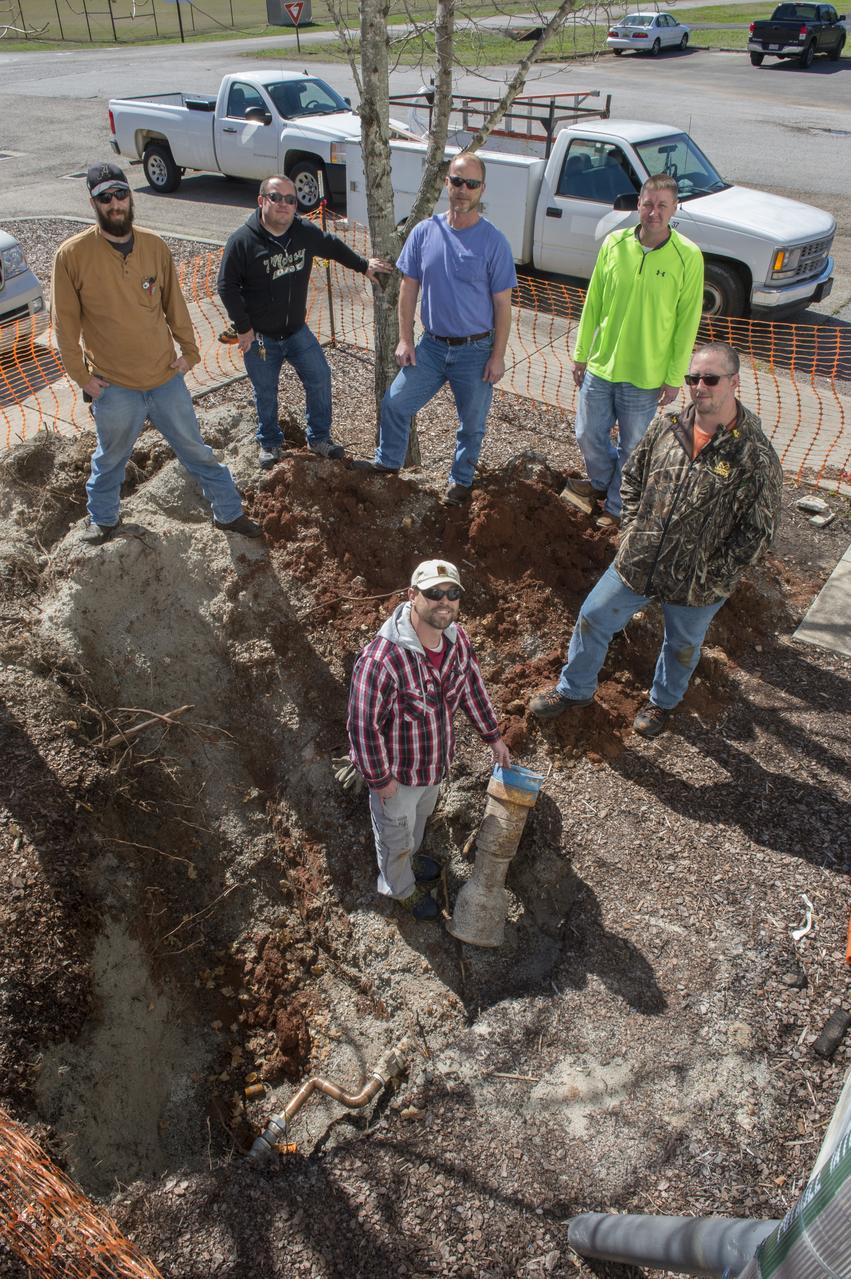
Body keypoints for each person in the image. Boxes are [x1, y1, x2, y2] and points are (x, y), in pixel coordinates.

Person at [529, 342, 783, 738]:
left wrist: (714, 575)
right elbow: (630, 478)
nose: (701, 386)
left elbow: (757, 532)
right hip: (639, 559)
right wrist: (632, 531)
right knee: (594, 618)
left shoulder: (754, 455)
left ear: (734, 382)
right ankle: (574, 689)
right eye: (693, 378)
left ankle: (662, 703)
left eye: (711, 379)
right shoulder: (667, 427)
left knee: (681, 646)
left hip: (697, 580)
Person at [52, 163, 260, 543]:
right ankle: (103, 520)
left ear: (130, 196)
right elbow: (65, 326)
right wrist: (83, 378)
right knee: (110, 459)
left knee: (196, 450)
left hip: (165, 378)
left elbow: (174, 305)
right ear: (93, 203)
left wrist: (190, 352)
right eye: (105, 198)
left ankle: (229, 514)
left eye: (120, 194)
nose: (115, 203)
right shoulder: (72, 256)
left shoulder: (154, 246)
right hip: (114, 387)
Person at [347, 558, 511, 920]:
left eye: (453, 593)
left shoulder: (456, 640)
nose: (445, 601)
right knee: (394, 837)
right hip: (397, 778)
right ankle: (400, 888)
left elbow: (471, 687)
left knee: (416, 826)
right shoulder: (382, 660)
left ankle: (409, 860)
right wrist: (381, 781)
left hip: (433, 769)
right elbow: (362, 727)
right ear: (412, 595)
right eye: (434, 593)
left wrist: (493, 737)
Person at [352, 152, 517, 506]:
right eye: (457, 181)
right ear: (447, 183)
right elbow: (408, 287)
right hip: (431, 347)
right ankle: (389, 466)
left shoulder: (494, 242)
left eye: (471, 184)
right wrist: (406, 339)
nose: (462, 189)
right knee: (395, 404)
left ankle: (460, 482)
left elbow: (504, 305)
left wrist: (498, 355)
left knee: (471, 425)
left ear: (481, 189)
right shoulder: (425, 232)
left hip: (475, 351)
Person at [217, 174, 391, 470]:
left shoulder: (303, 232)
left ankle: (319, 438)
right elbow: (226, 285)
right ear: (261, 201)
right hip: (260, 337)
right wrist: (243, 327)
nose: (284, 204)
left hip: (296, 331)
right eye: (276, 197)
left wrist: (364, 266)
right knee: (266, 391)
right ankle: (270, 442)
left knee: (319, 377)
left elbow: (333, 246)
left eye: (291, 199)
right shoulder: (242, 242)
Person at [562, 173, 704, 530]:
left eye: (662, 206)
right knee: (587, 433)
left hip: (646, 375)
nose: (653, 212)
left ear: (674, 209)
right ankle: (601, 482)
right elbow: (593, 301)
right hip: (601, 366)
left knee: (632, 447)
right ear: (638, 204)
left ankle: (615, 505)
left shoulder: (688, 257)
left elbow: (687, 324)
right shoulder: (614, 243)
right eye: (647, 204)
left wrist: (674, 377)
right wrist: (581, 354)